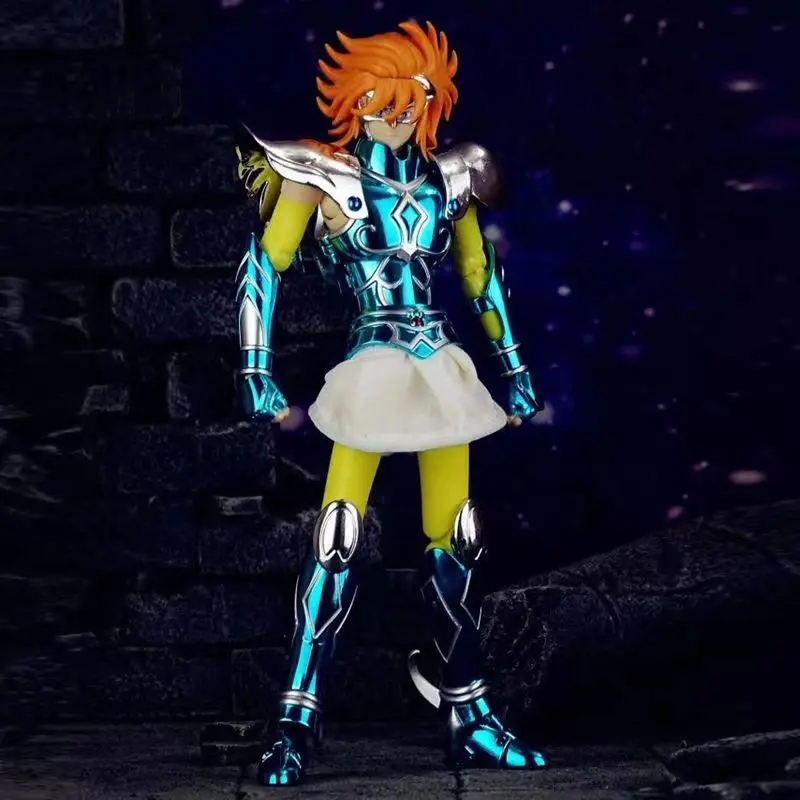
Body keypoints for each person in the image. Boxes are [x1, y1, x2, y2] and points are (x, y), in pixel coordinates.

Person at [234, 20, 546, 786]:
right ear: (354, 101)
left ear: (430, 102)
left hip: (441, 365)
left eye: (409, 99)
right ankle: (296, 721)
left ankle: (469, 714)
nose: (395, 113)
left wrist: (513, 369)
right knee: (337, 539)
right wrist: (256, 367)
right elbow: (266, 264)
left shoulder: (453, 178)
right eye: (378, 99)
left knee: (457, 539)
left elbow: (478, 275)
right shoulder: (324, 176)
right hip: (371, 363)